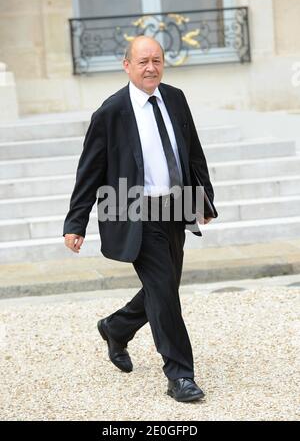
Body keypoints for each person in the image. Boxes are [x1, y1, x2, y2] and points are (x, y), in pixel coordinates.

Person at [63, 36, 218, 402]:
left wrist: (203, 199)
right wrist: (76, 222)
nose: (151, 68)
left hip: (175, 207)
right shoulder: (111, 112)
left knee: (164, 287)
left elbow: (193, 153)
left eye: (157, 61)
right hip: (134, 209)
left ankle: (116, 327)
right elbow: (89, 171)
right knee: (164, 291)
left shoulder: (176, 98)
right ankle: (180, 375)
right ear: (127, 65)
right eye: (143, 61)